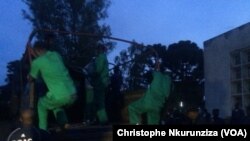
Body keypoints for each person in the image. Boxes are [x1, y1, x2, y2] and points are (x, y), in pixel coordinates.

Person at [28, 41, 77, 130]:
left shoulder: (37, 62)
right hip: (73, 94)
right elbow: (45, 61)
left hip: (60, 96)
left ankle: (43, 130)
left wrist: (29, 75)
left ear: (37, 50)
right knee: (55, 104)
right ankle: (64, 123)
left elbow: (31, 78)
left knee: (41, 105)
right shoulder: (56, 55)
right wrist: (35, 54)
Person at [91, 44, 110, 125]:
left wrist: (91, 74)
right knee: (99, 101)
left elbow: (98, 70)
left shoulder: (101, 57)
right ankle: (100, 119)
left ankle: (102, 120)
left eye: (97, 49)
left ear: (100, 49)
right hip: (102, 82)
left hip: (100, 82)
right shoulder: (103, 57)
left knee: (99, 101)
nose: (96, 51)